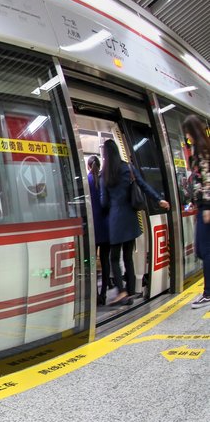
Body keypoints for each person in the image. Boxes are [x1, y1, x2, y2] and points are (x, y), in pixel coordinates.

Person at [99, 139, 170, 306]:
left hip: (115, 220)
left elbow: (104, 202)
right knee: (128, 257)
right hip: (130, 218)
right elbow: (143, 185)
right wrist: (158, 199)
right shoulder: (128, 168)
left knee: (114, 258)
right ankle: (130, 292)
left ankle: (121, 292)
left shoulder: (104, 174)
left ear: (105, 154)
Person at [183, 115, 210, 308]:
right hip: (202, 205)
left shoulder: (202, 151)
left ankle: (208, 293)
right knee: (202, 250)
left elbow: (207, 180)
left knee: (204, 250)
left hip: (207, 207)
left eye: (187, 132)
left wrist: (207, 206)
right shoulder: (198, 150)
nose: (186, 136)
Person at [86, 156, 112, 305]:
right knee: (105, 260)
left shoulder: (87, 180)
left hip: (93, 228)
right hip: (106, 226)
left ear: (89, 166)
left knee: (92, 262)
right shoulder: (105, 180)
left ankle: (95, 294)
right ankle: (104, 294)